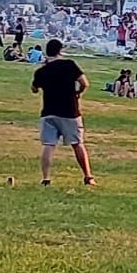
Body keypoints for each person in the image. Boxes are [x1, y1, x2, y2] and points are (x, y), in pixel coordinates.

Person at [32, 38, 95, 186]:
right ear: (60, 51)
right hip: (69, 111)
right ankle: (88, 176)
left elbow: (34, 89)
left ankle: (46, 178)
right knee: (77, 143)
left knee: (49, 145)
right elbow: (84, 83)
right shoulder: (69, 65)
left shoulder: (42, 71)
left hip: (49, 111)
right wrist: (78, 92)